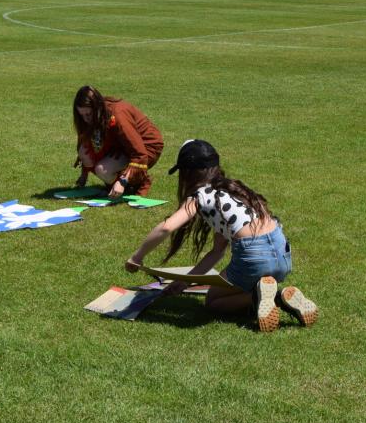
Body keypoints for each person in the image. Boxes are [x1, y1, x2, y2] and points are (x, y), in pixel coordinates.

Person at [123, 139, 318, 332]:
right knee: (239, 284)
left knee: (213, 301)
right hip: (282, 252)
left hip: (253, 256)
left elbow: (167, 228)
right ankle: (278, 295)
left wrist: (137, 257)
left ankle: (271, 297)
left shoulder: (201, 196)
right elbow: (217, 252)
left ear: (187, 173)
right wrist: (184, 282)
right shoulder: (233, 190)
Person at [72, 85, 163, 198]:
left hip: (146, 146)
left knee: (102, 170)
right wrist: (84, 175)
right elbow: (86, 143)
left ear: (97, 107)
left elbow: (139, 153)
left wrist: (122, 182)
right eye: (82, 115)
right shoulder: (96, 116)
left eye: (88, 114)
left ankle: (139, 182)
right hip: (121, 145)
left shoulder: (118, 115)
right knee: (84, 151)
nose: (85, 119)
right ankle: (115, 185)